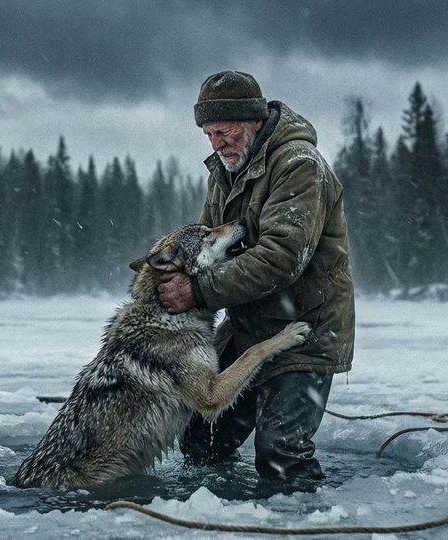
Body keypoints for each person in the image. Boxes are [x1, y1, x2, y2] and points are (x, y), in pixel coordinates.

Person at [157, 70, 355, 487]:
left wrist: (197, 291)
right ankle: (213, 519)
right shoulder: (224, 170)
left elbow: (282, 257)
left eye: (224, 131)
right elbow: (207, 243)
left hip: (308, 330)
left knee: (281, 453)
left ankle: (305, 522)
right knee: (201, 437)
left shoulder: (300, 165)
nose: (217, 144)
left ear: (255, 122)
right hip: (248, 325)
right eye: (209, 134)